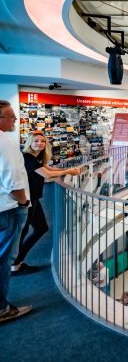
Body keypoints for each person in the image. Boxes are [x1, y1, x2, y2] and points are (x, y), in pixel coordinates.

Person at [11, 131, 78, 275]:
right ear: (30, 142)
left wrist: (66, 170)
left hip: (33, 199)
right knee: (22, 234)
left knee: (40, 228)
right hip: (27, 200)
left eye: (42, 141)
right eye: (36, 141)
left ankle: (16, 262)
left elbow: (49, 169)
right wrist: (67, 172)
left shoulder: (36, 157)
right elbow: (47, 174)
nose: (39, 144)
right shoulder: (27, 157)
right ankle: (14, 264)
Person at [0, 99, 33, 323]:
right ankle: (2, 308)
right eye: (11, 116)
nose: (15, 119)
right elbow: (13, 178)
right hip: (10, 209)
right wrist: (22, 202)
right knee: (4, 258)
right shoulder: (6, 142)